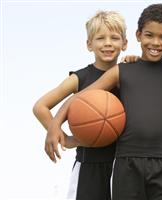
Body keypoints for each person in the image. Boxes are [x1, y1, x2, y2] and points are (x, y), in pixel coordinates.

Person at [46, 4, 162, 200]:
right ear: (138, 35)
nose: (156, 42)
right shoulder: (122, 71)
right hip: (126, 165)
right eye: (149, 35)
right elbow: (81, 97)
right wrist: (55, 124)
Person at [32, 11, 127, 200]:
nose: (108, 43)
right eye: (100, 38)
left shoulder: (129, 74)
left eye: (114, 38)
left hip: (124, 163)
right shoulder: (80, 77)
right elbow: (40, 106)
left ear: (124, 44)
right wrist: (64, 137)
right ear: (89, 44)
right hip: (88, 164)